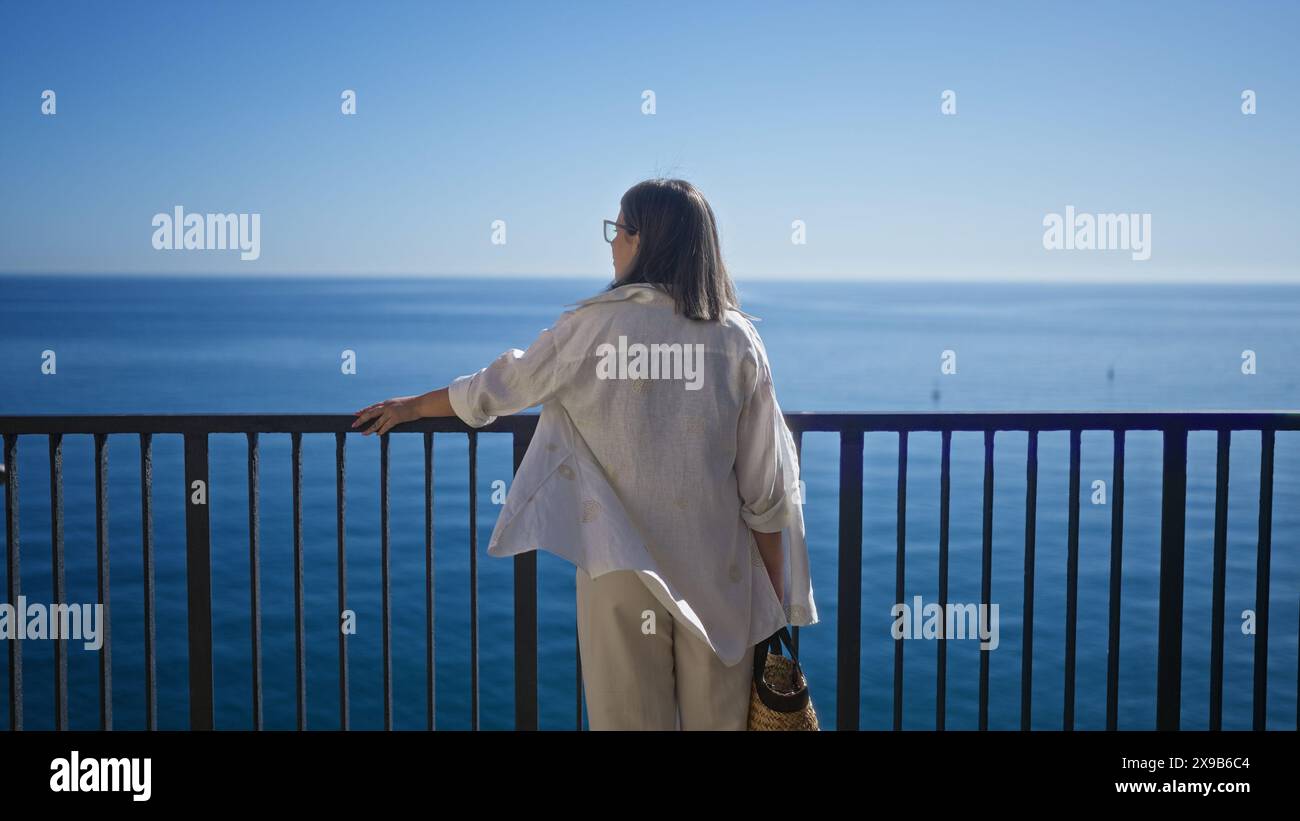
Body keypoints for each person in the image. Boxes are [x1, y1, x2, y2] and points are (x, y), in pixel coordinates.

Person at [352, 178, 817, 730]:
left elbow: (499, 388)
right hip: (720, 573)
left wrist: (413, 407)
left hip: (619, 567)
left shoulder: (593, 326)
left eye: (618, 230)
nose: (613, 243)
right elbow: (765, 489)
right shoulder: (736, 339)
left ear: (643, 238)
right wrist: (774, 604)